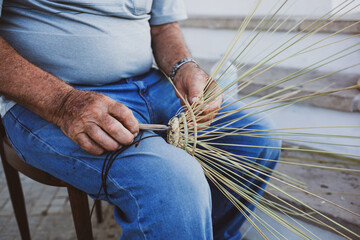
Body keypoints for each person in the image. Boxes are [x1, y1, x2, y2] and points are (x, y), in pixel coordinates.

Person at [0, 0, 281, 239]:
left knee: (255, 140)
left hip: (152, 84)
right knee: (173, 184)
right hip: (48, 98)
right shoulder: (58, 101)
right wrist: (62, 103)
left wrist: (183, 66)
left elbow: (163, 26)